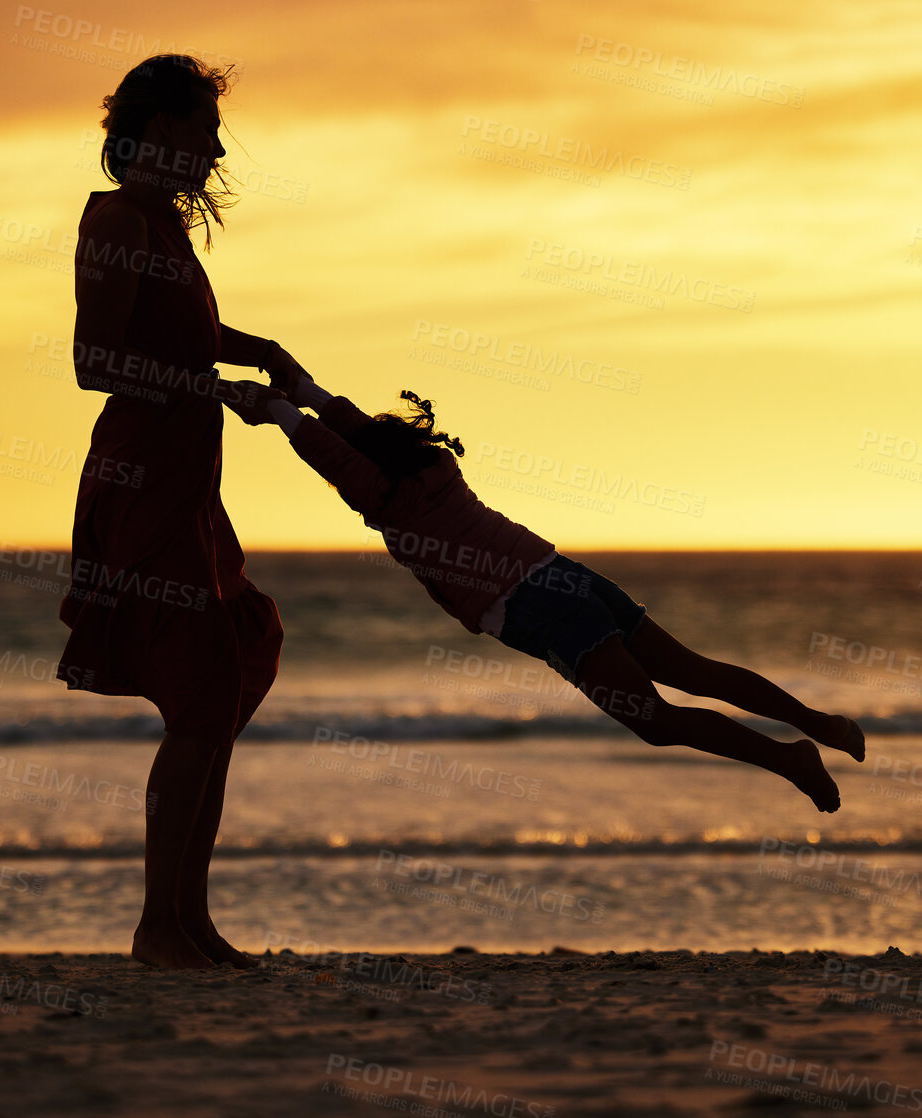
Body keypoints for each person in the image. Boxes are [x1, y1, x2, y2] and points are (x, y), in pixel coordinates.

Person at [219, 376, 865, 813]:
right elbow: (340, 424)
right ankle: (821, 724)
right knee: (689, 670)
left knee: (653, 722)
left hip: (538, 606)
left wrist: (268, 406)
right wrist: (293, 386)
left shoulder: (386, 496)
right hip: (563, 573)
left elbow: (323, 446)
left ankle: (792, 760)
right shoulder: (431, 466)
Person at [55, 54, 309, 970]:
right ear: (162, 127)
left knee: (231, 669)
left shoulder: (163, 227)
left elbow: (188, 338)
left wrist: (262, 351)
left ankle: (187, 923)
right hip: (141, 486)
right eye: (204, 129)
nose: (213, 150)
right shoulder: (118, 220)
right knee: (202, 696)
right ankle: (160, 928)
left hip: (189, 487)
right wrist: (216, 386)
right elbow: (95, 362)